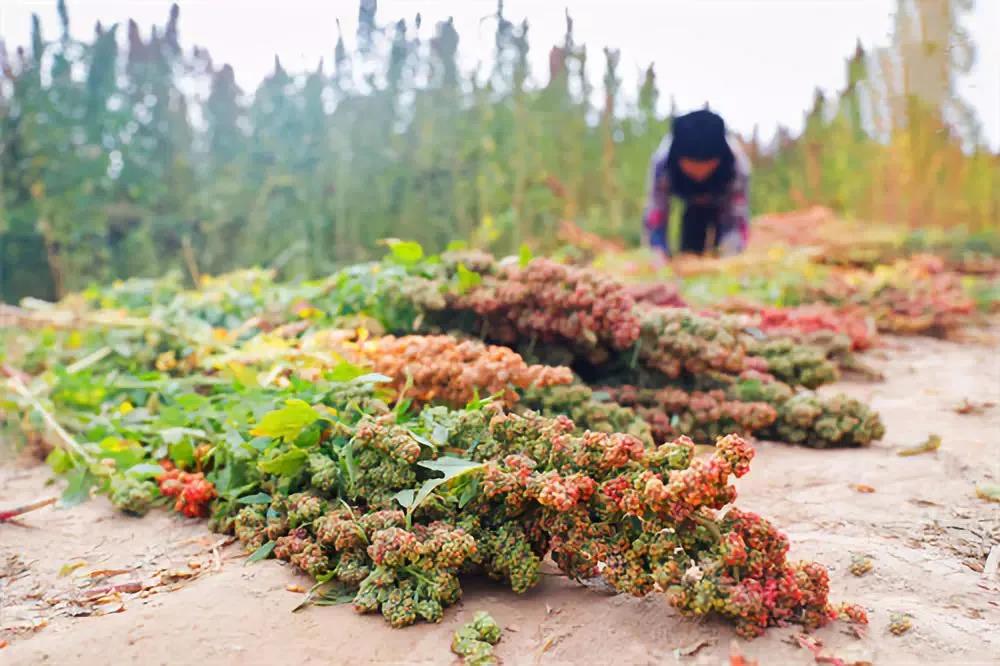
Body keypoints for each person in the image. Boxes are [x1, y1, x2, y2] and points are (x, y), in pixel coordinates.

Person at [642, 109, 751, 260]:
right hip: (689, 203)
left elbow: (737, 218)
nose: (699, 174)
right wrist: (658, 251)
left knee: (726, 248)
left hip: (722, 201)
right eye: (692, 166)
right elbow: (656, 213)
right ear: (678, 159)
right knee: (690, 242)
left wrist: (730, 257)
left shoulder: (737, 164)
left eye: (706, 166)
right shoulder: (662, 162)